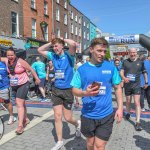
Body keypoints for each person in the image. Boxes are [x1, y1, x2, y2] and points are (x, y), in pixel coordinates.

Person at [71, 37, 123, 150]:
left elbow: (118, 88)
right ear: (91, 49)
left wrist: (120, 108)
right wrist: (85, 93)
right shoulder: (82, 69)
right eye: (99, 50)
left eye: (104, 51)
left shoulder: (111, 67)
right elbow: (74, 90)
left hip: (106, 115)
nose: (102, 54)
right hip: (88, 114)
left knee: (99, 146)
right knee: (90, 144)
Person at [38, 38, 81, 150]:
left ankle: (77, 124)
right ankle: (59, 141)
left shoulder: (69, 55)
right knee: (57, 116)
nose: (55, 48)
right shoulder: (53, 56)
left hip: (68, 90)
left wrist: (62, 39)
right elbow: (40, 49)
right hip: (56, 89)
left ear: (62, 46)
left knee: (67, 118)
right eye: (54, 47)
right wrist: (51, 43)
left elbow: (72, 43)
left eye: (57, 46)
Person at [0, 47, 40, 134]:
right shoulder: (6, 60)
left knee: (18, 103)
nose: (10, 56)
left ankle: (20, 126)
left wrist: (37, 79)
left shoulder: (20, 61)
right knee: (21, 103)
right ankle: (25, 119)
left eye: (12, 55)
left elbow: (31, 69)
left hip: (23, 84)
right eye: (8, 55)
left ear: (15, 54)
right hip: (14, 85)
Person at [120, 48, 148, 131]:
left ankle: (138, 122)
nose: (132, 54)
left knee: (136, 103)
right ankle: (128, 113)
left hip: (136, 85)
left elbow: (144, 72)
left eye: (134, 52)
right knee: (128, 101)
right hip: (127, 85)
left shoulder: (140, 62)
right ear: (129, 53)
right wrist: (124, 78)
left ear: (136, 53)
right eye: (131, 52)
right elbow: (121, 71)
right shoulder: (125, 61)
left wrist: (146, 82)